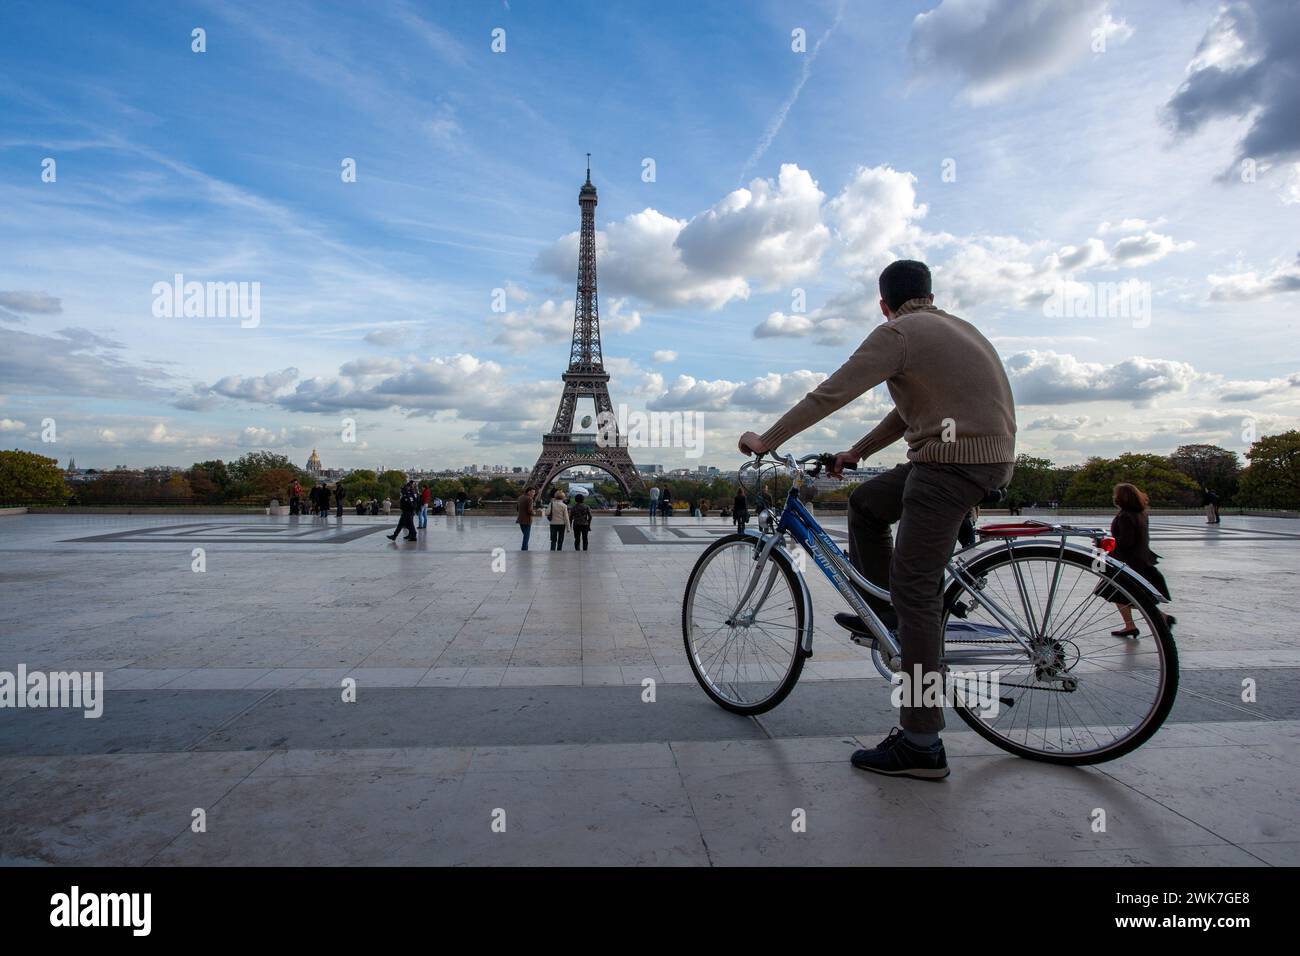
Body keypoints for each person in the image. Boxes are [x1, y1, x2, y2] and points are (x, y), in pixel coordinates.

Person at [737, 259, 1016, 781]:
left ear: (883, 302)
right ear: (929, 294)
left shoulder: (899, 332)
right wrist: (858, 452)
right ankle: (884, 617)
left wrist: (768, 440)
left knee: (916, 591)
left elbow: (833, 392)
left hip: (949, 465)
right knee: (866, 504)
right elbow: (909, 410)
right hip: (975, 455)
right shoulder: (956, 328)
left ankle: (921, 742)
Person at [1099, 482, 1175, 637]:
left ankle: (1156, 619)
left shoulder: (1126, 516)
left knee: (1121, 594)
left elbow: (1126, 542)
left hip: (1127, 563)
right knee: (1123, 595)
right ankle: (1133, 624)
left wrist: (1104, 543)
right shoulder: (1141, 514)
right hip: (1141, 560)